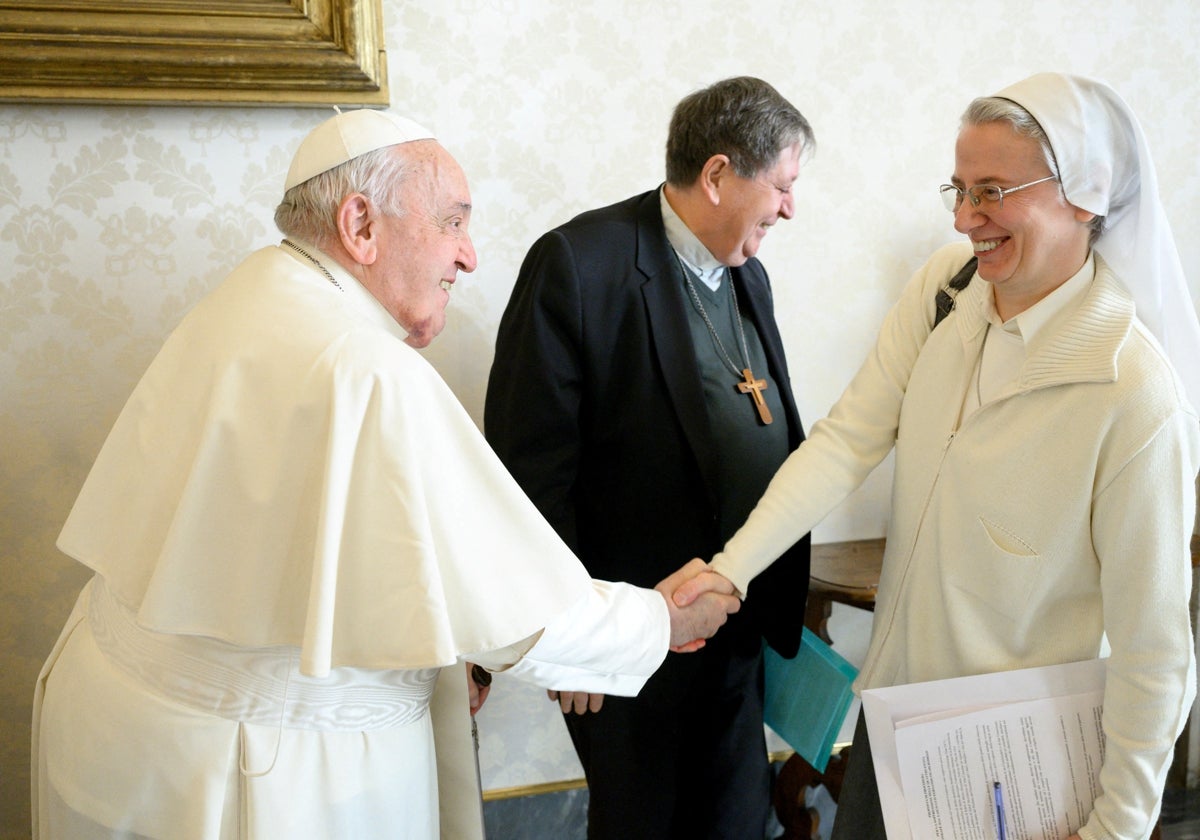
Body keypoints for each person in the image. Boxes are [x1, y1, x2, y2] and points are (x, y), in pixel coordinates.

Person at [30, 109, 741, 840]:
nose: (468, 256)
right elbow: (517, 611)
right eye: (453, 222)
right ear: (360, 225)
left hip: (120, 726)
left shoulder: (257, 288)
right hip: (263, 772)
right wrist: (660, 619)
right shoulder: (367, 368)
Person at [674, 72, 1200, 840]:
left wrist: (1115, 828)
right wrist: (730, 567)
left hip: (1023, 769)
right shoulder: (945, 292)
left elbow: (1156, 650)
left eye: (990, 191)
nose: (964, 220)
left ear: (1085, 193)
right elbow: (847, 439)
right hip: (899, 726)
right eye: (956, 190)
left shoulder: (1131, 392)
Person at [484, 76, 815, 839]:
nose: (790, 209)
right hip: (629, 644)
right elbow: (529, 477)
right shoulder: (579, 264)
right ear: (719, 175)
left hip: (729, 631)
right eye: (783, 186)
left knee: (735, 824)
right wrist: (575, 644)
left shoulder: (747, 273)